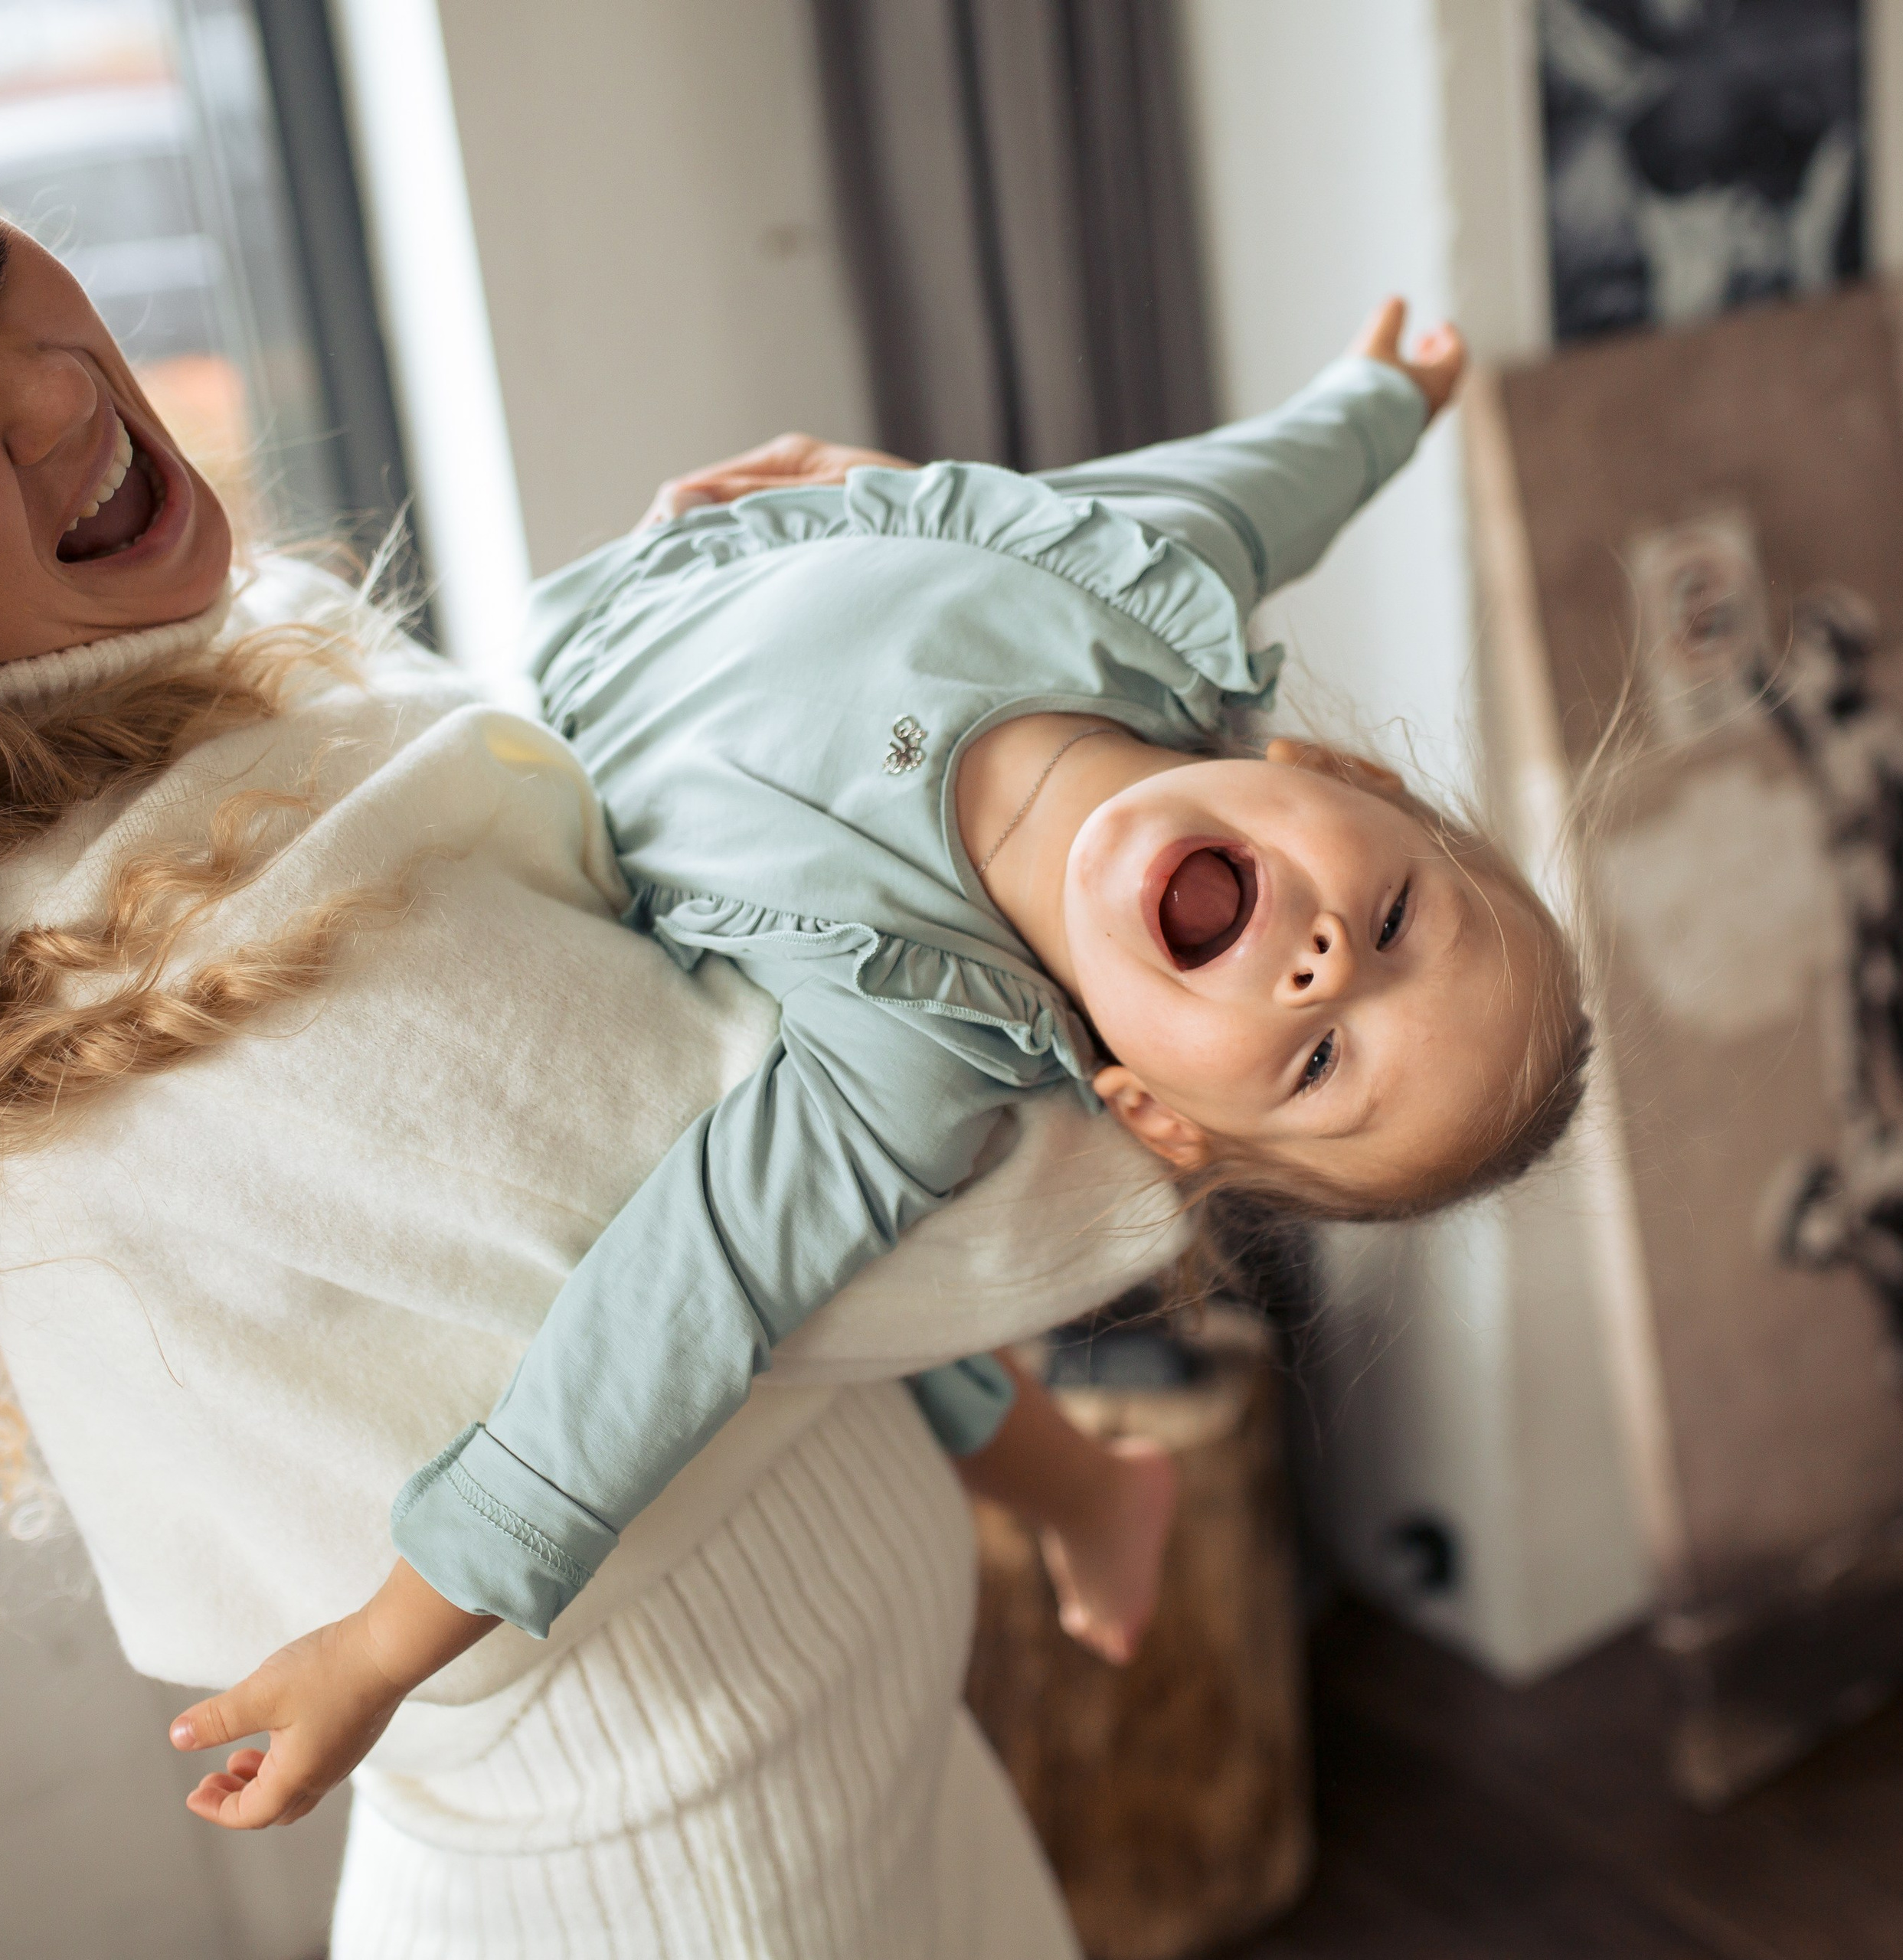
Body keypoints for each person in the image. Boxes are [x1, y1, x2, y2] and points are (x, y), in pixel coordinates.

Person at [171, 292, 1592, 1833]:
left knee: (816, 1297)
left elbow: (657, 1328)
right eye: (1391, 917)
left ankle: (1084, 1487)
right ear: (1339, 774)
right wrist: (1388, 392)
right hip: (700, 555)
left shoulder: (900, 1049)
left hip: (575, 772)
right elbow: (1268, 471)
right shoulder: (1140, 589)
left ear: (1148, 1107)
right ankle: (1086, 1486)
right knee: (873, 1304)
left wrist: (383, 1645)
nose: (1324, 966)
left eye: (1318, 1060)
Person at [0, 214, 1196, 1957]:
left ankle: (1083, 1488)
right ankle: (1085, 1486)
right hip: (684, 1865)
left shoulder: (206, 676)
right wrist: (1220, 1047)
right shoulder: (157, 958)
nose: (46, 396)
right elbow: (782, 1193)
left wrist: (696, 628)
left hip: (804, 1782)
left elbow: (583, 883)